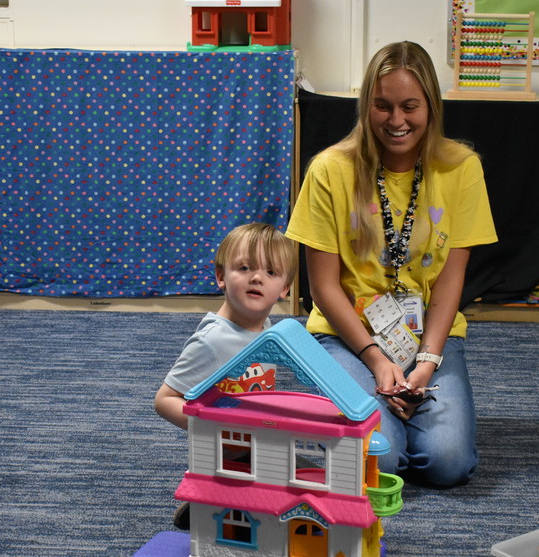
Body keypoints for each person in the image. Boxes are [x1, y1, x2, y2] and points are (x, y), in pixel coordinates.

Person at [286, 41, 498, 488]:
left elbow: (450, 280)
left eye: (410, 106)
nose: (397, 121)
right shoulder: (328, 170)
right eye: (382, 106)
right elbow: (323, 288)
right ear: (367, 107)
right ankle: (366, 412)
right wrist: (377, 361)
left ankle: (370, 417)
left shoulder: (463, 168)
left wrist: (425, 363)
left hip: (427, 340)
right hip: (346, 337)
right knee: (380, 463)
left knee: (449, 464)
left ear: (431, 107)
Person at [155, 222, 297, 430]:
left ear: (284, 289)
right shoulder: (212, 340)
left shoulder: (267, 329)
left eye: (271, 272)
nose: (257, 278)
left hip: (258, 440)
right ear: (222, 277)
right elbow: (164, 400)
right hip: (223, 454)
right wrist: (217, 429)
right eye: (245, 268)